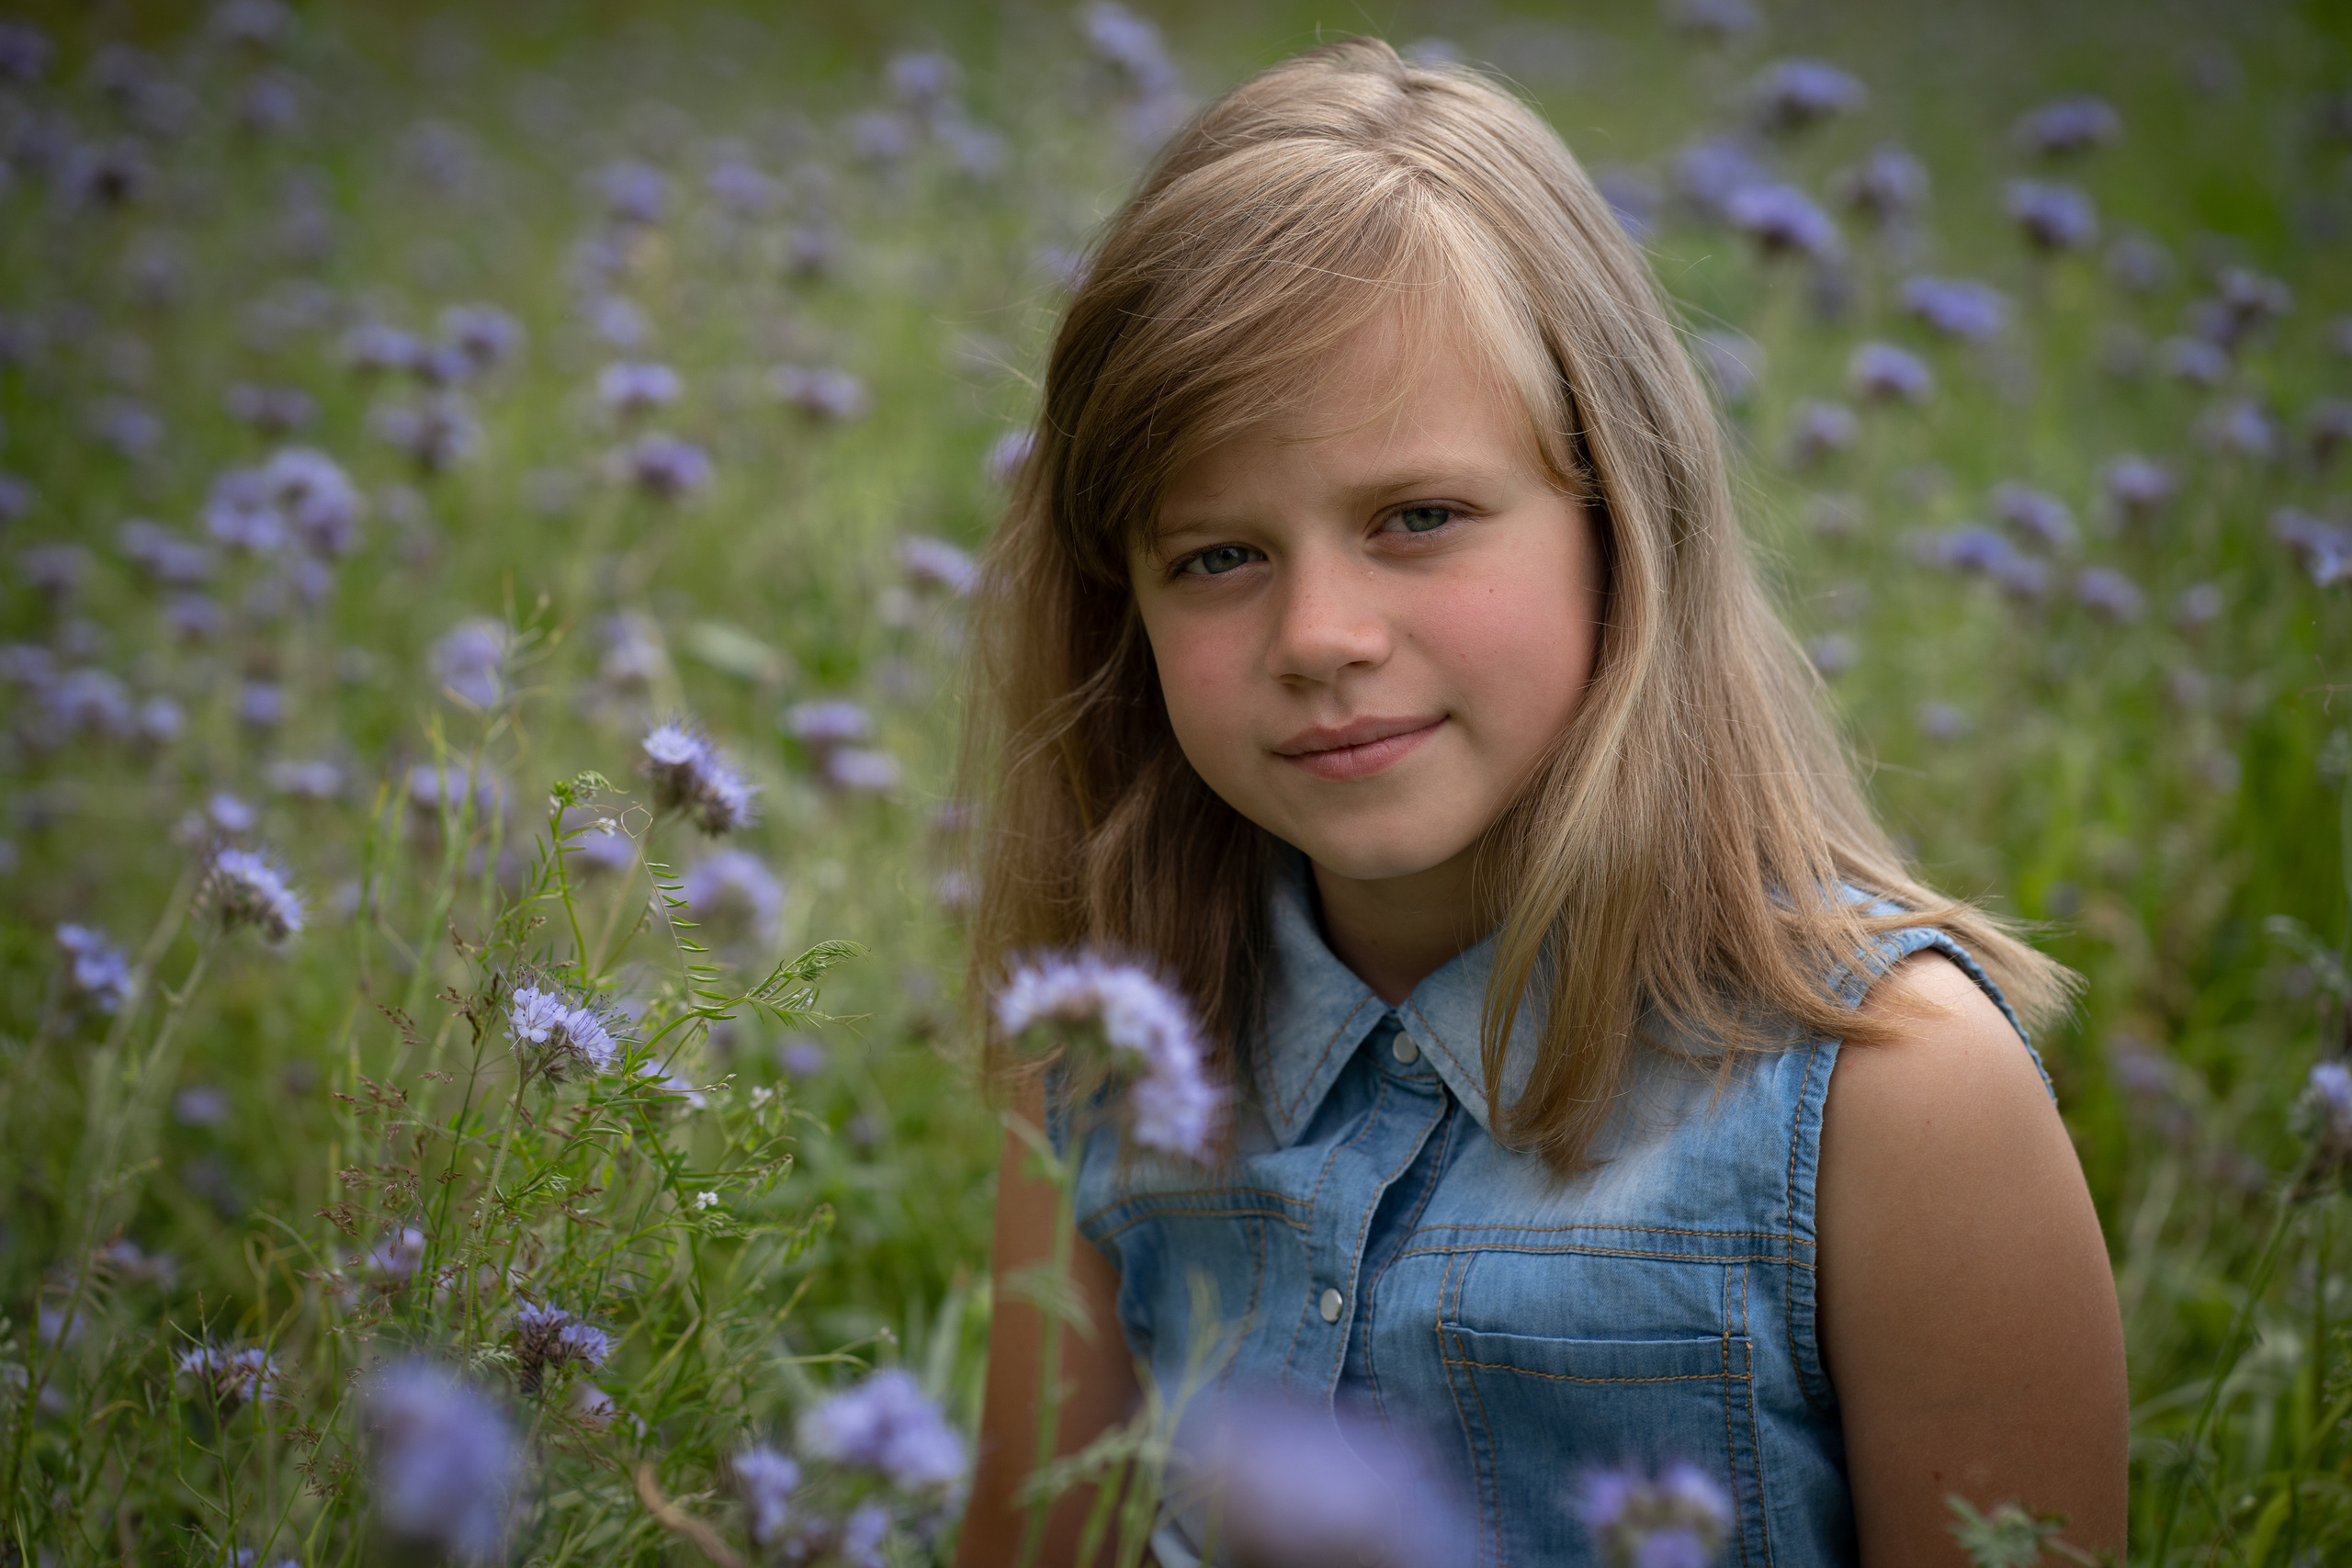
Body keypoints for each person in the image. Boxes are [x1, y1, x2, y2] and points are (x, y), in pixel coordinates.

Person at [954, 37, 2126, 1567]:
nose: (1320, 637)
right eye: (1217, 557)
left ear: (1620, 521)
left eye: (1418, 518)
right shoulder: (1112, 1075)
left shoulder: (1894, 1102)